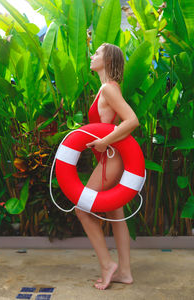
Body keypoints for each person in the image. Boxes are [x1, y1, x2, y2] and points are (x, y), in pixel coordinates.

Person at [75, 43, 139, 290]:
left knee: (82, 209)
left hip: (110, 161)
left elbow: (132, 120)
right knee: (116, 215)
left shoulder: (108, 89)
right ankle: (124, 271)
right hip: (111, 160)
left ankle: (107, 265)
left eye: (98, 53)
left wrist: (104, 141)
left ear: (109, 60)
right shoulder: (108, 88)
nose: (92, 56)